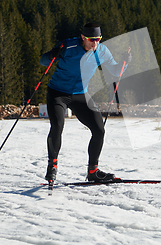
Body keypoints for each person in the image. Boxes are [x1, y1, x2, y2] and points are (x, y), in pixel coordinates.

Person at [40, 23, 131, 183]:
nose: (95, 43)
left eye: (98, 39)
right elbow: (43, 61)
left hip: (80, 94)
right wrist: (52, 54)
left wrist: (125, 62)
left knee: (99, 130)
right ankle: (52, 167)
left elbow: (116, 71)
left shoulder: (102, 51)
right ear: (83, 37)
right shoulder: (68, 45)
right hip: (58, 93)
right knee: (58, 126)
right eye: (91, 40)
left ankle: (93, 171)